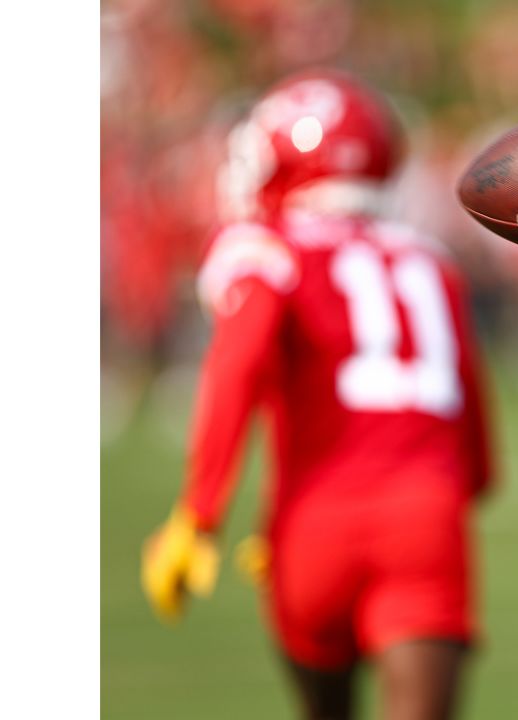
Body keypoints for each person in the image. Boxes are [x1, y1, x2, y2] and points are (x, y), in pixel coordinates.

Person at [141, 69, 494, 720]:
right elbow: (474, 442)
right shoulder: (428, 259)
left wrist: (201, 510)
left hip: (314, 520)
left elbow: (236, 364)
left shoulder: (266, 250)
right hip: (428, 516)